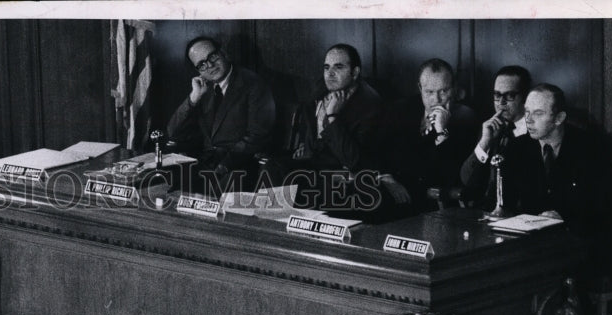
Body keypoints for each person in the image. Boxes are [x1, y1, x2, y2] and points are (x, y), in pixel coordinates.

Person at [492, 84, 612, 281]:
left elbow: (603, 206)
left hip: (582, 244)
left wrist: (564, 217)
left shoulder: (592, 148)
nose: (529, 119)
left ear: (559, 118)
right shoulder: (518, 148)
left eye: (538, 113)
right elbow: (505, 201)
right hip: (532, 245)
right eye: (527, 112)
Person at [277, 44, 386, 216]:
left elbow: (355, 161)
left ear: (355, 72)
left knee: (313, 185)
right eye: (326, 67)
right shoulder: (322, 90)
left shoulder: (370, 105)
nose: (330, 74)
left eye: (338, 67)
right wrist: (306, 144)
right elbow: (311, 128)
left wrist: (333, 116)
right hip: (316, 164)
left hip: (344, 174)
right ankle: (272, 228)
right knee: (273, 167)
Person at [166, 36, 275, 191]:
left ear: (223, 53)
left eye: (212, 56)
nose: (210, 65)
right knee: (167, 191)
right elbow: (173, 133)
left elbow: (257, 137)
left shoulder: (253, 84)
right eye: (202, 64)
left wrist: (224, 166)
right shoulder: (205, 88)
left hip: (241, 166)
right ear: (198, 71)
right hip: (207, 165)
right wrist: (193, 99)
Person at [382, 58, 480, 213]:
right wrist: (387, 178)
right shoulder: (401, 110)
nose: (436, 99)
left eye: (444, 91)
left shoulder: (465, 119)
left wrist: (442, 131)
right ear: (420, 88)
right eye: (429, 92)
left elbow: (450, 176)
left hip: (431, 203)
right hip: (393, 191)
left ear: (453, 89)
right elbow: (381, 151)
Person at [459, 66, 532, 203]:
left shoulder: (535, 130)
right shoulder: (489, 128)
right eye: (497, 95)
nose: (500, 103)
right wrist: (485, 142)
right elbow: (466, 180)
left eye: (509, 96)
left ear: (525, 97)